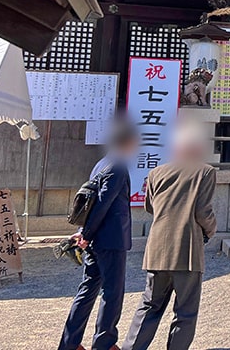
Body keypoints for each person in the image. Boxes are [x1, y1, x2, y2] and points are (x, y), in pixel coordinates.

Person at [121, 121, 217, 349]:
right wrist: (211, 230)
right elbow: (203, 211)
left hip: (157, 248)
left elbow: (150, 207)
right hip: (188, 250)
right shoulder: (205, 172)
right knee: (185, 311)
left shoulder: (156, 173)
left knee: (149, 305)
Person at [59, 119, 138, 350]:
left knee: (88, 290)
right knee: (112, 292)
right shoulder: (118, 166)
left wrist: (84, 233)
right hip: (110, 240)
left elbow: (91, 203)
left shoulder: (102, 164)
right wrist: (86, 234)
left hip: (95, 239)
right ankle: (104, 343)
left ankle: (70, 343)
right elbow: (102, 204)